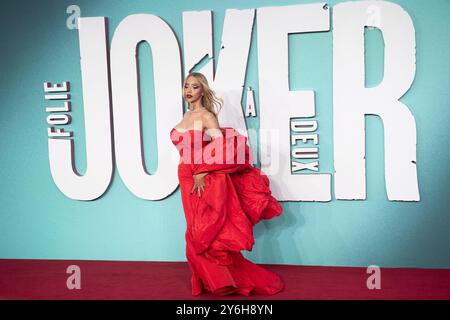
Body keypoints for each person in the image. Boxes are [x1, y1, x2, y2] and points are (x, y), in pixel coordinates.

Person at [170, 72, 284, 296]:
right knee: (194, 228)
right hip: (184, 175)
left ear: (202, 91)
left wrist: (203, 171)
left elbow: (223, 147)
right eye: (186, 86)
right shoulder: (186, 115)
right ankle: (210, 280)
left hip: (199, 176)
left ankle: (223, 280)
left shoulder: (206, 116)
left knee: (201, 231)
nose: (189, 91)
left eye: (194, 87)